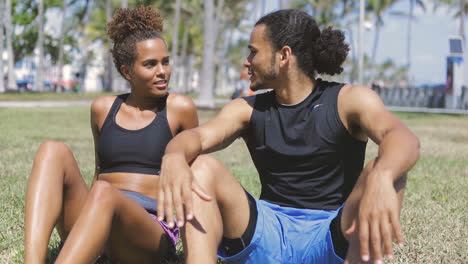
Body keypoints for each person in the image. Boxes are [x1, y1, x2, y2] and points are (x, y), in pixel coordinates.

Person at [157, 9, 420, 264]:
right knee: (201, 166)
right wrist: (174, 155)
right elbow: (198, 138)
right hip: (267, 237)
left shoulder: (348, 100)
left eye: (253, 52)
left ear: (284, 56)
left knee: (387, 168)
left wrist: (383, 176)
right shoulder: (247, 109)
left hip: (332, 238)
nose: (247, 61)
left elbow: (402, 138)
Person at [24, 6, 198, 264]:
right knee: (52, 150)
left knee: (105, 192)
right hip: (95, 212)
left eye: (165, 61)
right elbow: (99, 171)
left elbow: (196, 178)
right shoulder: (102, 109)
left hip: (148, 230)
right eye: (150, 64)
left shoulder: (180, 109)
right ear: (127, 71)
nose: (162, 71)